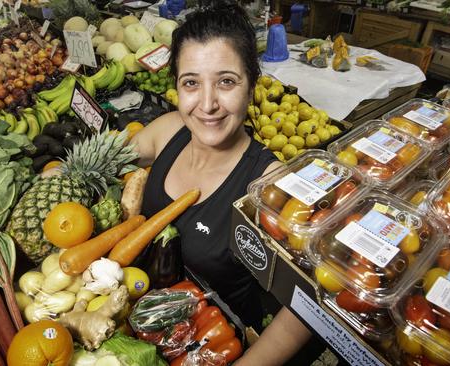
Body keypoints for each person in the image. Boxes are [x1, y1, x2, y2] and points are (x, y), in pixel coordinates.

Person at [131, 3, 319, 364]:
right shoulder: (168, 130)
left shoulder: (270, 184)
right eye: (191, 83)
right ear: (176, 88)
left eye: (226, 82)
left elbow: (307, 299)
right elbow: (106, 157)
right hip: (142, 317)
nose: (207, 104)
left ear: (251, 88)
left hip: (212, 345)